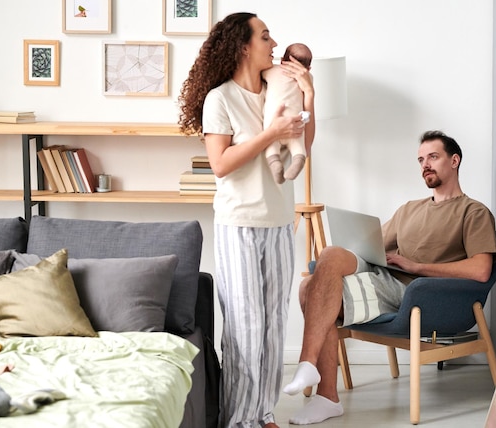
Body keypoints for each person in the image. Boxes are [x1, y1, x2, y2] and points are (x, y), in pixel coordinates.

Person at [283, 130, 496, 425]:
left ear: (454, 161)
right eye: (421, 159)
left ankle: (327, 396)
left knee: (311, 288)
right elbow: (369, 245)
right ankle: (310, 366)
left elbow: (480, 269)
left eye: (433, 157)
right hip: (383, 278)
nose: (425, 164)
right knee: (328, 258)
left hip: (416, 292)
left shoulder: (473, 212)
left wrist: (415, 266)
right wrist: (368, 252)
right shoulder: (410, 209)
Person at [178, 12, 315, 428]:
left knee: (274, 327)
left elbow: (304, 145)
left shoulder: (279, 88)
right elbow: (220, 164)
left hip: (278, 222)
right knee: (245, 328)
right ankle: (239, 419)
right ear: (242, 45)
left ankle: (264, 413)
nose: (273, 43)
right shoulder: (219, 98)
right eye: (265, 36)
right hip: (238, 223)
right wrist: (270, 134)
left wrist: (309, 96)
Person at [262, 43, 313, 184]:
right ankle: (298, 161)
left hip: (272, 124)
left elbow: (260, 73)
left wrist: (309, 93)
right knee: (299, 148)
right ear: (308, 68)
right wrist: (309, 91)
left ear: (282, 61)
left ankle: (275, 164)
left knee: (271, 148)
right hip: (296, 125)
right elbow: (307, 146)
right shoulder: (309, 78)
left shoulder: (272, 71)